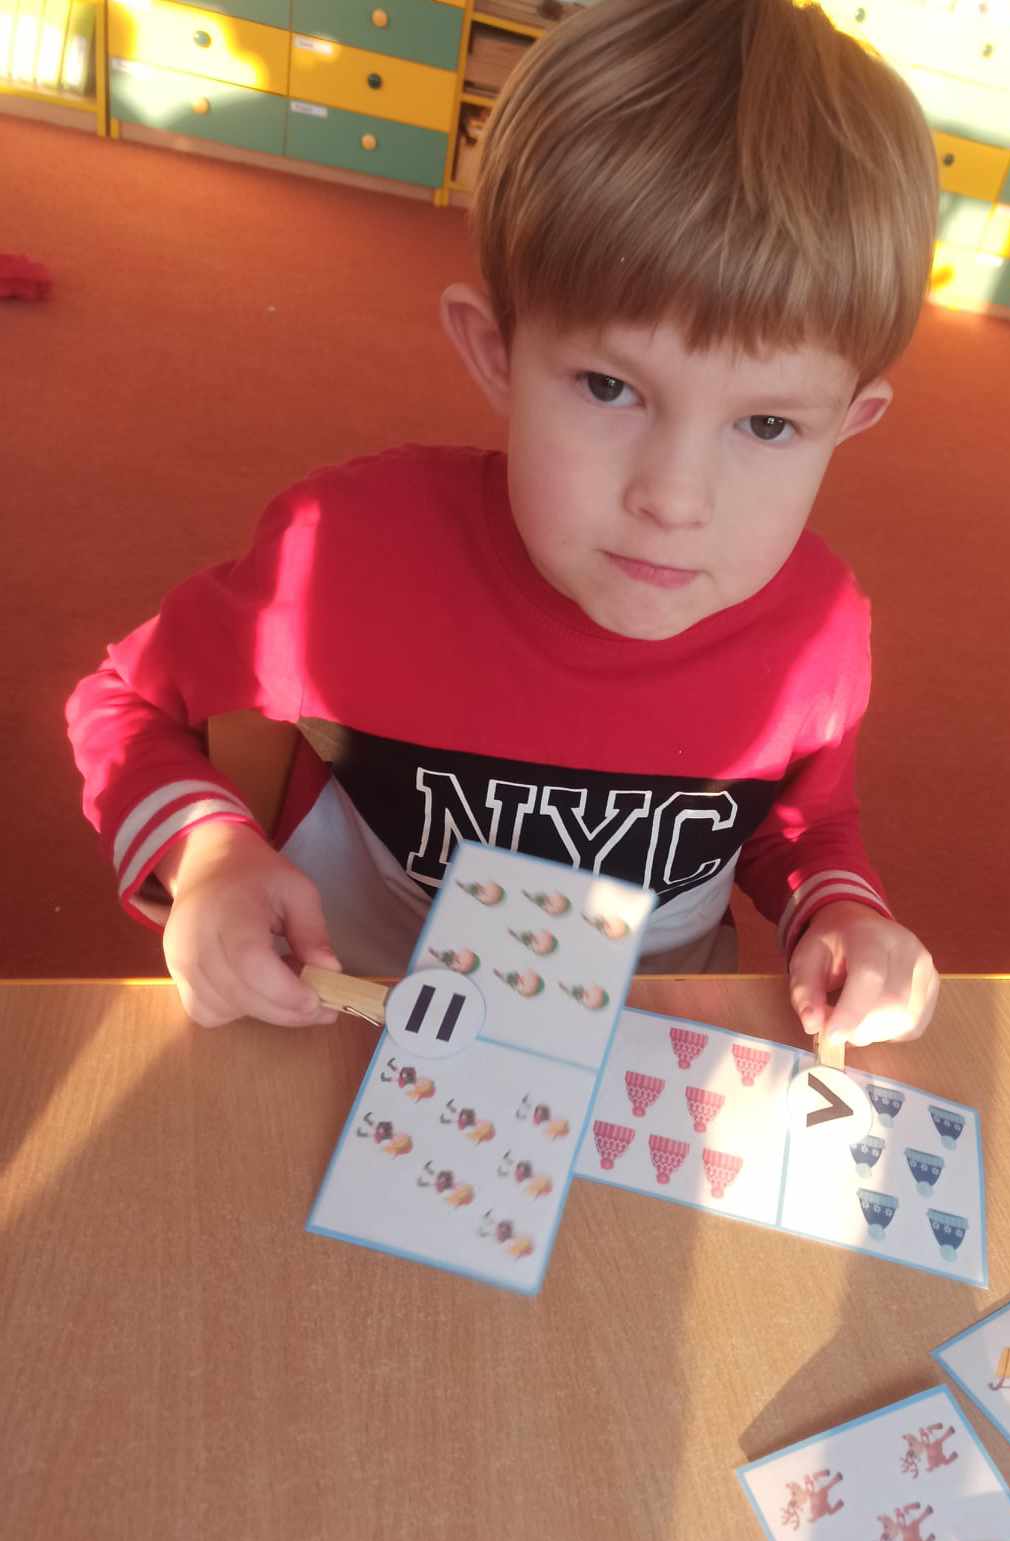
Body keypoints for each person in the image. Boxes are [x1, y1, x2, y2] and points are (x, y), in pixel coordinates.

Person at [66, 0, 940, 1048]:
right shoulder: (345, 560)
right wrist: (207, 851)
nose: (674, 499)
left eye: (767, 424)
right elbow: (124, 704)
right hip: (346, 1028)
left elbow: (800, 826)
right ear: (496, 354)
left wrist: (841, 911)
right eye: (610, 387)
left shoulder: (818, 629)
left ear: (849, 423)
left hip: (628, 1058)